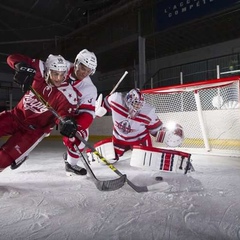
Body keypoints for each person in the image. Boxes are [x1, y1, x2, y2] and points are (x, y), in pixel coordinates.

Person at [0, 53, 78, 172]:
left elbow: (63, 114)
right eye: (55, 74)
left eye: (62, 74)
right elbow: (12, 58)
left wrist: (66, 121)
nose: (58, 78)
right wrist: (21, 66)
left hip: (33, 131)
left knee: (4, 158)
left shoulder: (67, 93)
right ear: (47, 71)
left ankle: (20, 155)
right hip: (15, 116)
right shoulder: (39, 69)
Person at [96, 88, 184, 160]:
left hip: (139, 139)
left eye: (140, 105)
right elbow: (104, 105)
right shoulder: (115, 99)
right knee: (109, 159)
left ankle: (140, 151)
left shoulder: (148, 112)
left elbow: (156, 130)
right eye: (135, 104)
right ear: (128, 100)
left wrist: (168, 134)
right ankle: (120, 150)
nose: (137, 107)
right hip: (119, 137)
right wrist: (98, 109)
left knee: (146, 160)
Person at [62, 49, 98, 176]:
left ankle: (71, 164)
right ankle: (20, 153)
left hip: (68, 115)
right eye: (83, 68)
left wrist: (76, 126)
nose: (85, 73)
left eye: (89, 71)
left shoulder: (89, 88)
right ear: (76, 62)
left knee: (81, 136)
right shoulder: (62, 65)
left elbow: (87, 114)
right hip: (49, 105)